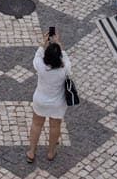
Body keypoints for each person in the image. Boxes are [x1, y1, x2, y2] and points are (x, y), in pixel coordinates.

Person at [26, 30, 70, 163]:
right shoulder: (65, 68)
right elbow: (66, 58)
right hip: (57, 103)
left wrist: (42, 43)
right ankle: (51, 152)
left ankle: (32, 152)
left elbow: (37, 56)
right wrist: (59, 45)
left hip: (40, 100)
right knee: (55, 127)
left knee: (36, 124)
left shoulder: (40, 66)